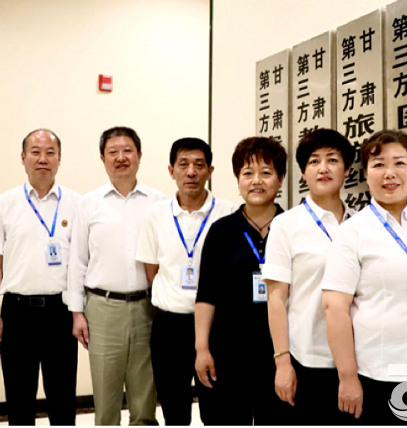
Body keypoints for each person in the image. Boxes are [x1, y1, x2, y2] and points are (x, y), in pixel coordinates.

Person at [320, 130, 407, 425]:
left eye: (399, 163)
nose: (389, 173)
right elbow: (335, 308)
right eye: (379, 164)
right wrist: (348, 377)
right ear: (366, 174)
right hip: (377, 373)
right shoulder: (352, 232)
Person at [67, 127, 165, 425]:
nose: (121, 157)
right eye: (113, 152)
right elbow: (77, 261)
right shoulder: (88, 203)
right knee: (106, 397)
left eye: (127, 151)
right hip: (102, 309)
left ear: (139, 155)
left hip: (147, 307)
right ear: (102, 158)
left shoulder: (158, 201)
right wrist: (77, 313)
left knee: (144, 396)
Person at [136, 137, 237, 425]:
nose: (191, 172)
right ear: (171, 171)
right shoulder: (155, 214)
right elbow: (152, 270)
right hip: (170, 326)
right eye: (183, 164)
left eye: (199, 165)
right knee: (173, 408)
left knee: (217, 410)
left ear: (210, 171)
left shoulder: (229, 213)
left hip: (216, 326)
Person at [195, 136, 293, 425]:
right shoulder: (221, 231)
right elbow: (206, 295)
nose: (256, 181)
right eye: (247, 173)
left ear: (280, 179)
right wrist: (202, 349)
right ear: (238, 180)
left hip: (280, 353)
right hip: (228, 353)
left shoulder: (292, 228)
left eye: (266, 172)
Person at [262, 128, 356, 425]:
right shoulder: (285, 225)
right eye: (314, 161)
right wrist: (282, 362)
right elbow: (276, 298)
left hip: (358, 359)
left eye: (333, 160)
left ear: (347, 169)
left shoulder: (361, 223)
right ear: (303, 173)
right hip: (307, 358)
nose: (323, 168)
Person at [0, 129, 81, 425]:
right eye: (35, 152)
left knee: (62, 400)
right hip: (16, 312)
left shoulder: (76, 204)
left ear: (59, 158)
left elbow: (80, 264)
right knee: (19, 401)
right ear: (23, 158)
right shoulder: (5, 203)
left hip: (60, 313)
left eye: (50, 152)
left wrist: (79, 313)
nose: (42, 159)